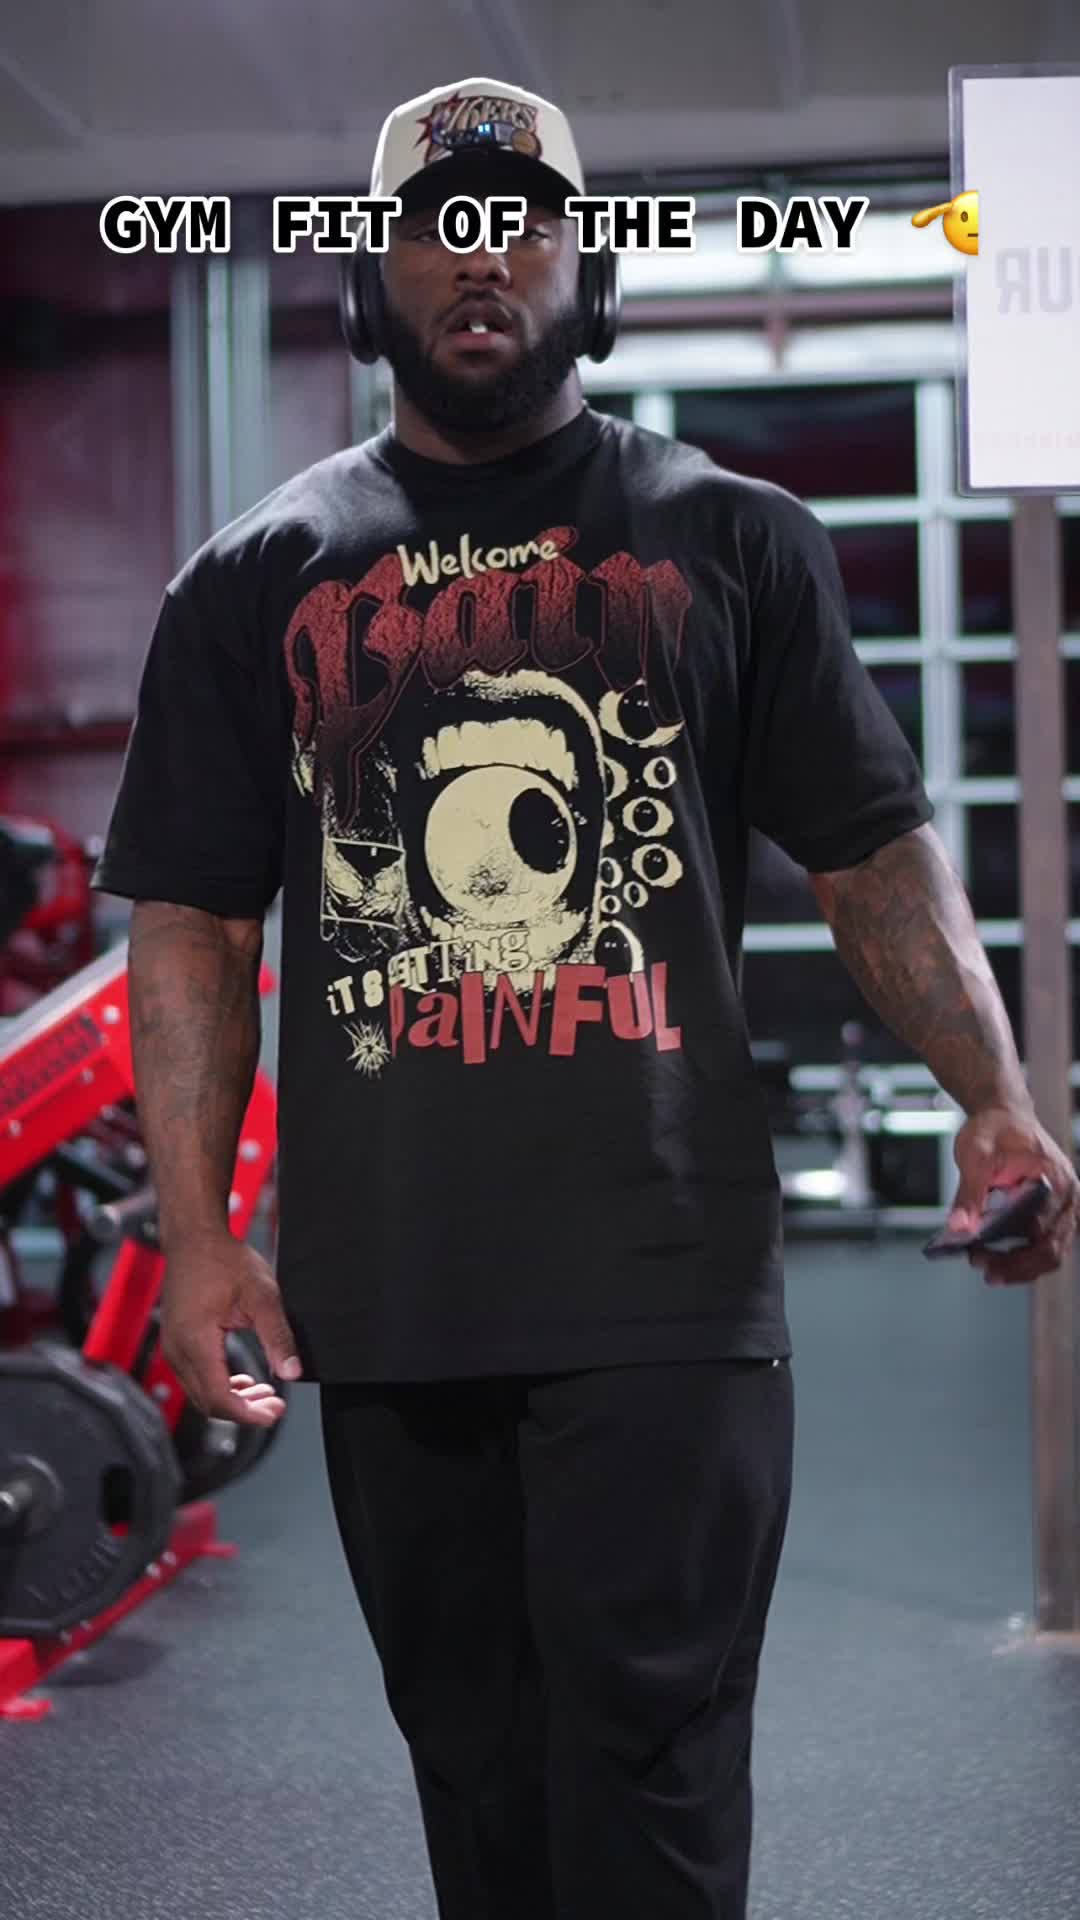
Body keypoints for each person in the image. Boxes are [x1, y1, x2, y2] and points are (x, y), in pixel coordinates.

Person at [91, 75, 1079, 1920]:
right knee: (473, 1772)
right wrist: (205, 1237)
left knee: (652, 1763)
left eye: (525, 223)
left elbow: (869, 852)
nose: (483, 259)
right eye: (438, 228)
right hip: (393, 1289)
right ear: (367, 284)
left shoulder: (733, 539)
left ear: (588, 273)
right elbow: (197, 928)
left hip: (667, 1282)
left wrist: (999, 1098)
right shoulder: (253, 582)